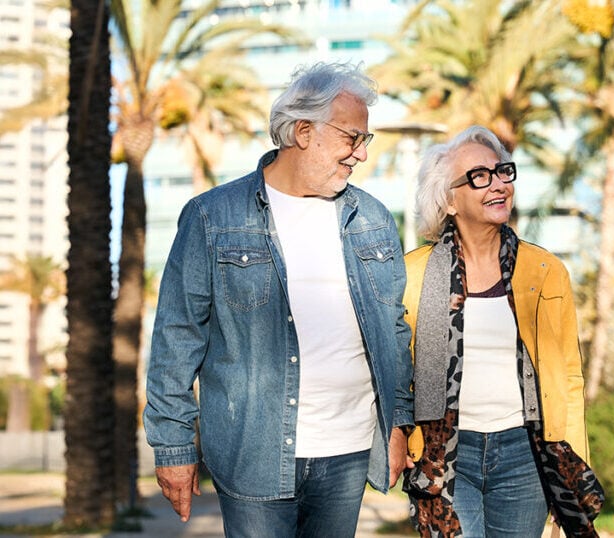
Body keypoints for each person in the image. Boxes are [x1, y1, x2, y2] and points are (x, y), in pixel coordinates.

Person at [143, 61, 414, 538]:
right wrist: (174, 448)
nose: (360, 155)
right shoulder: (213, 217)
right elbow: (176, 339)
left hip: (348, 450)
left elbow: (393, 329)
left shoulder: (371, 218)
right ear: (304, 131)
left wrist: (398, 424)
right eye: (353, 138)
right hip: (254, 450)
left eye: (364, 141)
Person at [401, 125, 589, 537]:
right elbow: (397, 372)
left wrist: (570, 474)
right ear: (448, 200)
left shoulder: (545, 271)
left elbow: (568, 378)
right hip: (446, 455)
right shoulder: (413, 274)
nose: (499, 184)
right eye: (479, 176)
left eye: (503, 171)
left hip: (523, 453)